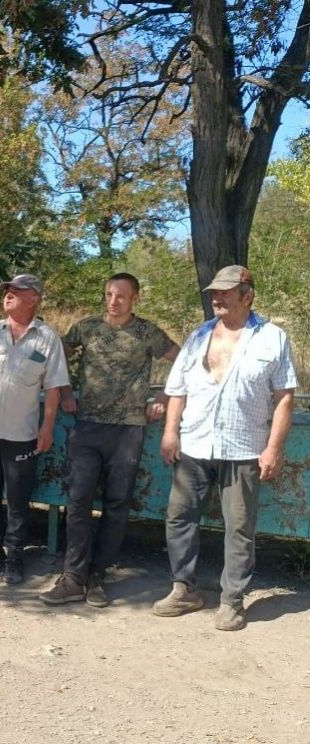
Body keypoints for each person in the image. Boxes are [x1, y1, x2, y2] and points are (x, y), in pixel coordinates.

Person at [153, 265, 298, 631]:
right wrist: (171, 432)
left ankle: (232, 600)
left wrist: (274, 449)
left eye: (225, 292)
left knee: (239, 527)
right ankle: (183, 589)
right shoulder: (199, 336)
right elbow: (177, 390)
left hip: (244, 446)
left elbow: (284, 398)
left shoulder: (272, 338)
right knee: (180, 517)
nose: (216, 297)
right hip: (195, 443)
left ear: (247, 295)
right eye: (214, 291)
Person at [39, 273, 179, 607]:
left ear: (135, 299)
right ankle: (73, 577)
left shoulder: (147, 332)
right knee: (78, 500)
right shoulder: (86, 327)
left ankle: (98, 575)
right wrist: (65, 389)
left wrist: (166, 396)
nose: (113, 302)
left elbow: (183, 359)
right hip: (88, 426)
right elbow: (53, 355)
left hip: (128, 429)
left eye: (121, 296)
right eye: (109, 295)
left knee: (117, 504)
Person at [0, 274, 68, 585]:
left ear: (34, 297)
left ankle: (16, 554)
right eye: (6, 290)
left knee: (19, 498)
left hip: (22, 433)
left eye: (16, 291)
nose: (7, 294)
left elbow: (53, 388)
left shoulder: (46, 338)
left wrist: (47, 427)